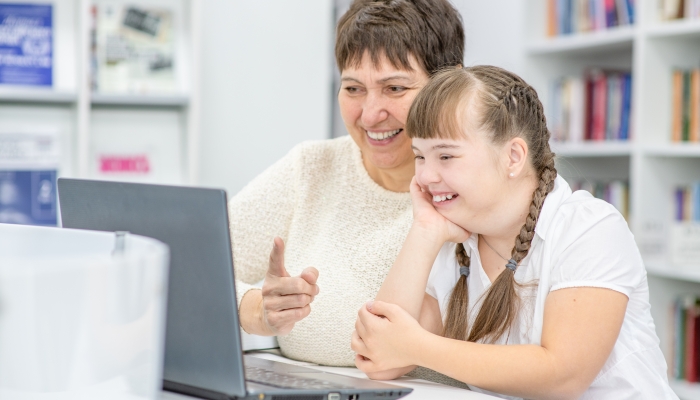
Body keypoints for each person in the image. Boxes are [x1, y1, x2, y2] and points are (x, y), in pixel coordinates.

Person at [351, 66, 678, 399]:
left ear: (513, 157)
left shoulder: (589, 227)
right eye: (420, 156)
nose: (426, 176)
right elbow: (380, 359)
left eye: (446, 155)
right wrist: (424, 230)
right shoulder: (455, 237)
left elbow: (562, 376)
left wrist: (417, 347)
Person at [229, 0, 464, 367]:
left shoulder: (480, 189)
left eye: (395, 88)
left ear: (450, 87)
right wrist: (257, 309)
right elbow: (191, 268)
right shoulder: (312, 167)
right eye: (353, 88)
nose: (370, 114)